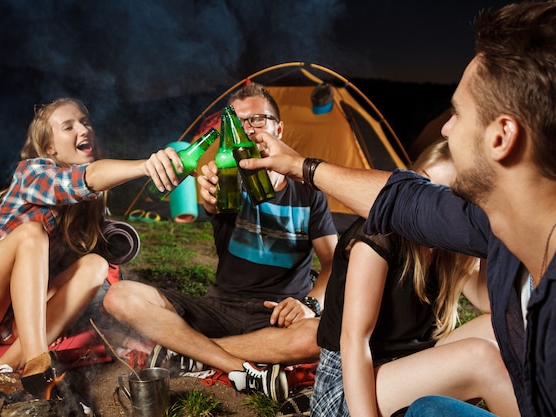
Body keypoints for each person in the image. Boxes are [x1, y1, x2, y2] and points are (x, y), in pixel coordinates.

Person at [238, 3, 556, 415]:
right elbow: (403, 201)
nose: (445, 128)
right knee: (478, 356)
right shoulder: (469, 227)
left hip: (399, 370)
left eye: (457, 113)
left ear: (501, 137)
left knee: (477, 358)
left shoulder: (476, 239)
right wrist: (300, 166)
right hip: (354, 386)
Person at [0, 98, 185, 403]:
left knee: (94, 265)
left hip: (9, 325)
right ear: (49, 147)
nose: (83, 129)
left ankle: (0, 370)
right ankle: (38, 363)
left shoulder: (91, 200)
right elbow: (85, 178)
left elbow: (95, 221)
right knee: (31, 234)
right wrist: (145, 166)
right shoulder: (32, 172)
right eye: (69, 126)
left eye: (85, 121)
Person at [103, 82, 338, 402]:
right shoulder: (223, 176)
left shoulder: (309, 191)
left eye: (258, 119)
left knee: (320, 335)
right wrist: (209, 196)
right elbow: (214, 200)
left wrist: (308, 305)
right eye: (238, 122)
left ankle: (188, 351)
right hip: (219, 308)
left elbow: (334, 262)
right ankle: (234, 359)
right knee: (120, 295)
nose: (248, 129)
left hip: (277, 317)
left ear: (278, 128)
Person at [312, 139, 518, 417]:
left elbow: (488, 300)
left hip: (406, 368)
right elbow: (353, 342)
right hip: (348, 391)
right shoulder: (378, 234)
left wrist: (489, 229)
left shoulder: (446, 247)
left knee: (508, 324)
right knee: (482, 359)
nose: (428, 206)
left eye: (445, 198)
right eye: (424, 186)